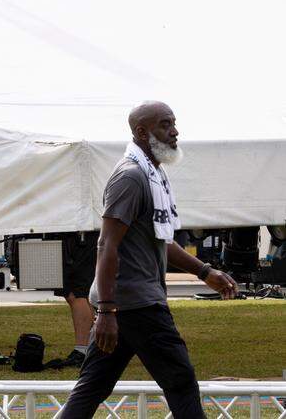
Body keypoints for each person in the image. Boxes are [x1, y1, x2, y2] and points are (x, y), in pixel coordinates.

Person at [60, 101, 239, 419]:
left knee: (92, 388)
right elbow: (106, 245)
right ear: (142, 132)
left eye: (174, 123)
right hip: (136, 306)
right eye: (165, 124)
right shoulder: (131, 178)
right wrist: (106, 311)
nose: (175, 131)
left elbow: (160, 242)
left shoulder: (152, 174)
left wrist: (205, 271)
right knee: (181, 383)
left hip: (125, 306)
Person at [53, 231, 98, 367]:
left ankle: (82, 350)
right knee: (78, 293)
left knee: (76, 293)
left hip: (80, 236)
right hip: (81, 235)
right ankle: (87, 348)